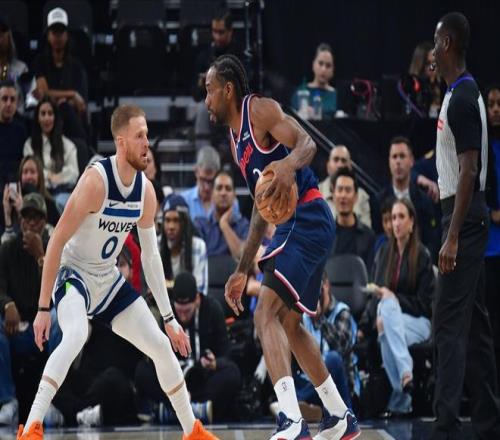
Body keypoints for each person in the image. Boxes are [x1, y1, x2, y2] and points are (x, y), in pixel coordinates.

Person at [16, 105, 218, 440]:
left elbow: (151, 258)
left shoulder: (146, 192)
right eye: (140, 136)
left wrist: (169, 319)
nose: (147, 143)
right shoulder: (96, 182)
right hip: (74, 274)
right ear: (121, 142)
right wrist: (42, 308)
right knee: (76, 334)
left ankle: (192, 430)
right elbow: (56, 242)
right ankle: (32, 426)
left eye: (147, 135)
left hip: (107, 279)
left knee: (160, 345)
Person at [205, 54, 360, 439]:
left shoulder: (259, 110)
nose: (206, 99)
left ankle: (291, 420)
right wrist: (242, 269)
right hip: (296, 225)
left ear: (227, 90)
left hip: (307, 216)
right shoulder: (235, 141)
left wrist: (288, 167)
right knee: (290, 324)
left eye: (209, 90)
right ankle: (339, 416)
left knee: (264, 314)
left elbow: (307, 144)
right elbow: (262, 207)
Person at [431, 12, 500, 439]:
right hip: (464, 215)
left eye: (435, 43)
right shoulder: (459, 93)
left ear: (448, 43)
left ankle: (445, 427)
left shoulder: (462, 98)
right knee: (474, 329)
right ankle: (489, 421)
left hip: (464, 221)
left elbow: (470, 170)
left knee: (447, 326)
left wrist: (452, 236)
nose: (431, 53)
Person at [137, 272, 242, 423]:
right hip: (174, 379)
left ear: (197, 299)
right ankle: (191, 409)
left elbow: (226, 353)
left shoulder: (213, 309)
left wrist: (214, 363)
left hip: (202, 377)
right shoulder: (168, 314)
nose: (183, 316)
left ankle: (175, 410)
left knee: (232, 373)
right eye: (179, 311)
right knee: (142, 370)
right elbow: (159, 354)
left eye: (187, 311)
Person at [370, 198, 434, 417]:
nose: (396, 223)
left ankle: (402, 387)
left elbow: (424, 305)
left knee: (387, 313)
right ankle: (403, 393)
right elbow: (375, 291)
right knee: (384, 318)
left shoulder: (423, 255)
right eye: (393, 218)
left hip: (420, 323)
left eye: (401, 217)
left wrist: (395, 299)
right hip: (394, 325)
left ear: (412, 222)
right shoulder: (384, 253)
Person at [0, 193, 53, 426]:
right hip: (15, 327)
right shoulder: (7, 248)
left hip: (44, 328)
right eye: (26, 218)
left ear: (44, 223)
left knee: (61, 323)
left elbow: (58, 291)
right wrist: (7, 304)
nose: (30, 224)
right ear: (19, 221)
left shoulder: (53, 248)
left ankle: (53, 400)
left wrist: (41, 256)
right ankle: (8, 401)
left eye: (36, 219)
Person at [377, 135, 438, 259]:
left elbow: (432, 240)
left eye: (402, 156)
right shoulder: (379, 200)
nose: (398, 161)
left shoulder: (425, 201)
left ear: (411, 161)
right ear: (389, 161)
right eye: (394, 157)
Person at [32, 7, 88, 140]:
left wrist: (62, 101)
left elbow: (81, 104)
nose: (58, 36)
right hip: (47, 116)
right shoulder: (40, 62)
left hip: (70, 120)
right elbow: (43, 93)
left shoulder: (76, 66)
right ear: (48, 35)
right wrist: (72, 94)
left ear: (67, 35)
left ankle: (82, 145)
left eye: (61, 31)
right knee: (61, 107)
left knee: (65, 108)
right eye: (54, 32)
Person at [23, 97, 79, 212]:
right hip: (38, 193)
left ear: (55, 117)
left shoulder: (68, 145)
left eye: (50, 113)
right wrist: (49, 176)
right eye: (43, 114)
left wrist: (56, 178)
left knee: (61, 202)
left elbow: (74, 173)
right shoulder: (29, 145)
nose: (46, 118)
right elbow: (30, 171)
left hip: (62, 193)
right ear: (38, 118)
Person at [160, 194, 208, 295]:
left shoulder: (198, 246)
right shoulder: (155, 244)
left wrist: (168, 285)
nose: (171, 226)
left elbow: (200, 290)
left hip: (189, 302)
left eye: (176, 220)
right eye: (167, 220)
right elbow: (150, 288)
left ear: (185, 223)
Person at [194, 171, 249, 259]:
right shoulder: (201, 225)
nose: (223, 193)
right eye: (219, 188)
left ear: (234, 196)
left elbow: (242, 257)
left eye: (228, 188)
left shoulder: (243, 225)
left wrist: (224, 225)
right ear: (212, 195)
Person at [330, 167, 375, 272]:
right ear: (333, 195)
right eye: (340, 190)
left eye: (348, 190)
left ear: (356, 196)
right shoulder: (325, 234)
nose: (343, 195)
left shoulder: (368, 236)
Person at [485, 84, 500, 386]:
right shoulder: (481, 146)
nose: (496, 109)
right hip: (488, 249)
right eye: (491, 104)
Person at [318, 145, 371, 227]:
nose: (340, 165)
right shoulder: (315, 193)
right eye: (336, 160)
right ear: (328, 166)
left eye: (343, 161)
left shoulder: (361, 196)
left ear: (350, 167)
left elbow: (366, 231)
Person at [291, 43, 339, 120]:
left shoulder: (337, 96)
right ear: (313, 65)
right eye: (320, 63)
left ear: (333, 69)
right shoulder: (300, 92)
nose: (323, 69)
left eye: (328, 65)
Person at [0, 80, 26, 199]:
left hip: (15, 181)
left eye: (12, 99)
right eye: (4, 99)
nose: (8, 103)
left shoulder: (22, 130)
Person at [181, 146, 221, 220]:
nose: (206, 187)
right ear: (196, 172)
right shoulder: (184, 200)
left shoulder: (228, 202)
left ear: (217, 175)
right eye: (202, 179)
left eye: (211, 181)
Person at [0, 15, 29, 114]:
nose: (0, 37)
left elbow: (31, 100)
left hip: (17, 118)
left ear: (9, 36)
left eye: (3, 32)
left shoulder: (22, 68)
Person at [408, 41, 445, 118]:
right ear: (420, 65)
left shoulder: (444, 87)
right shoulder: (410, 90)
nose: (432, 68)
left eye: (434, 63)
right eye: (428, 63)